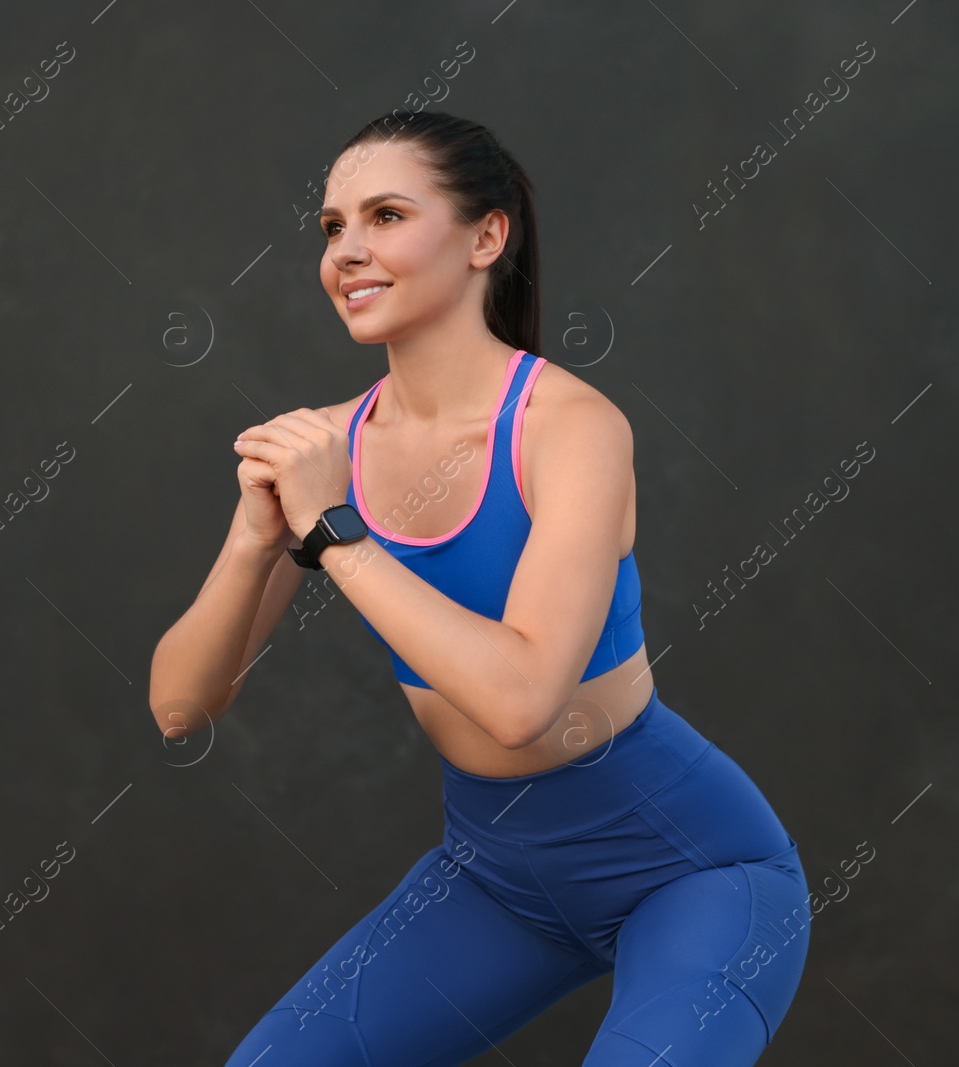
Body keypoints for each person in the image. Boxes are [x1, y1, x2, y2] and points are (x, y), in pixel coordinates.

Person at [148, 110, 810, 1066]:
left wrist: (337, 533)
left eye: (384, 215)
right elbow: (180, 708)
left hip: (697, 871)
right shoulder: (328, 451)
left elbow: (521, 702)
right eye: (333, 227)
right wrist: (257, 538)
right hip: (495, 877)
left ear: (486, 236)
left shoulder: (570, 428)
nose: (348, 251)